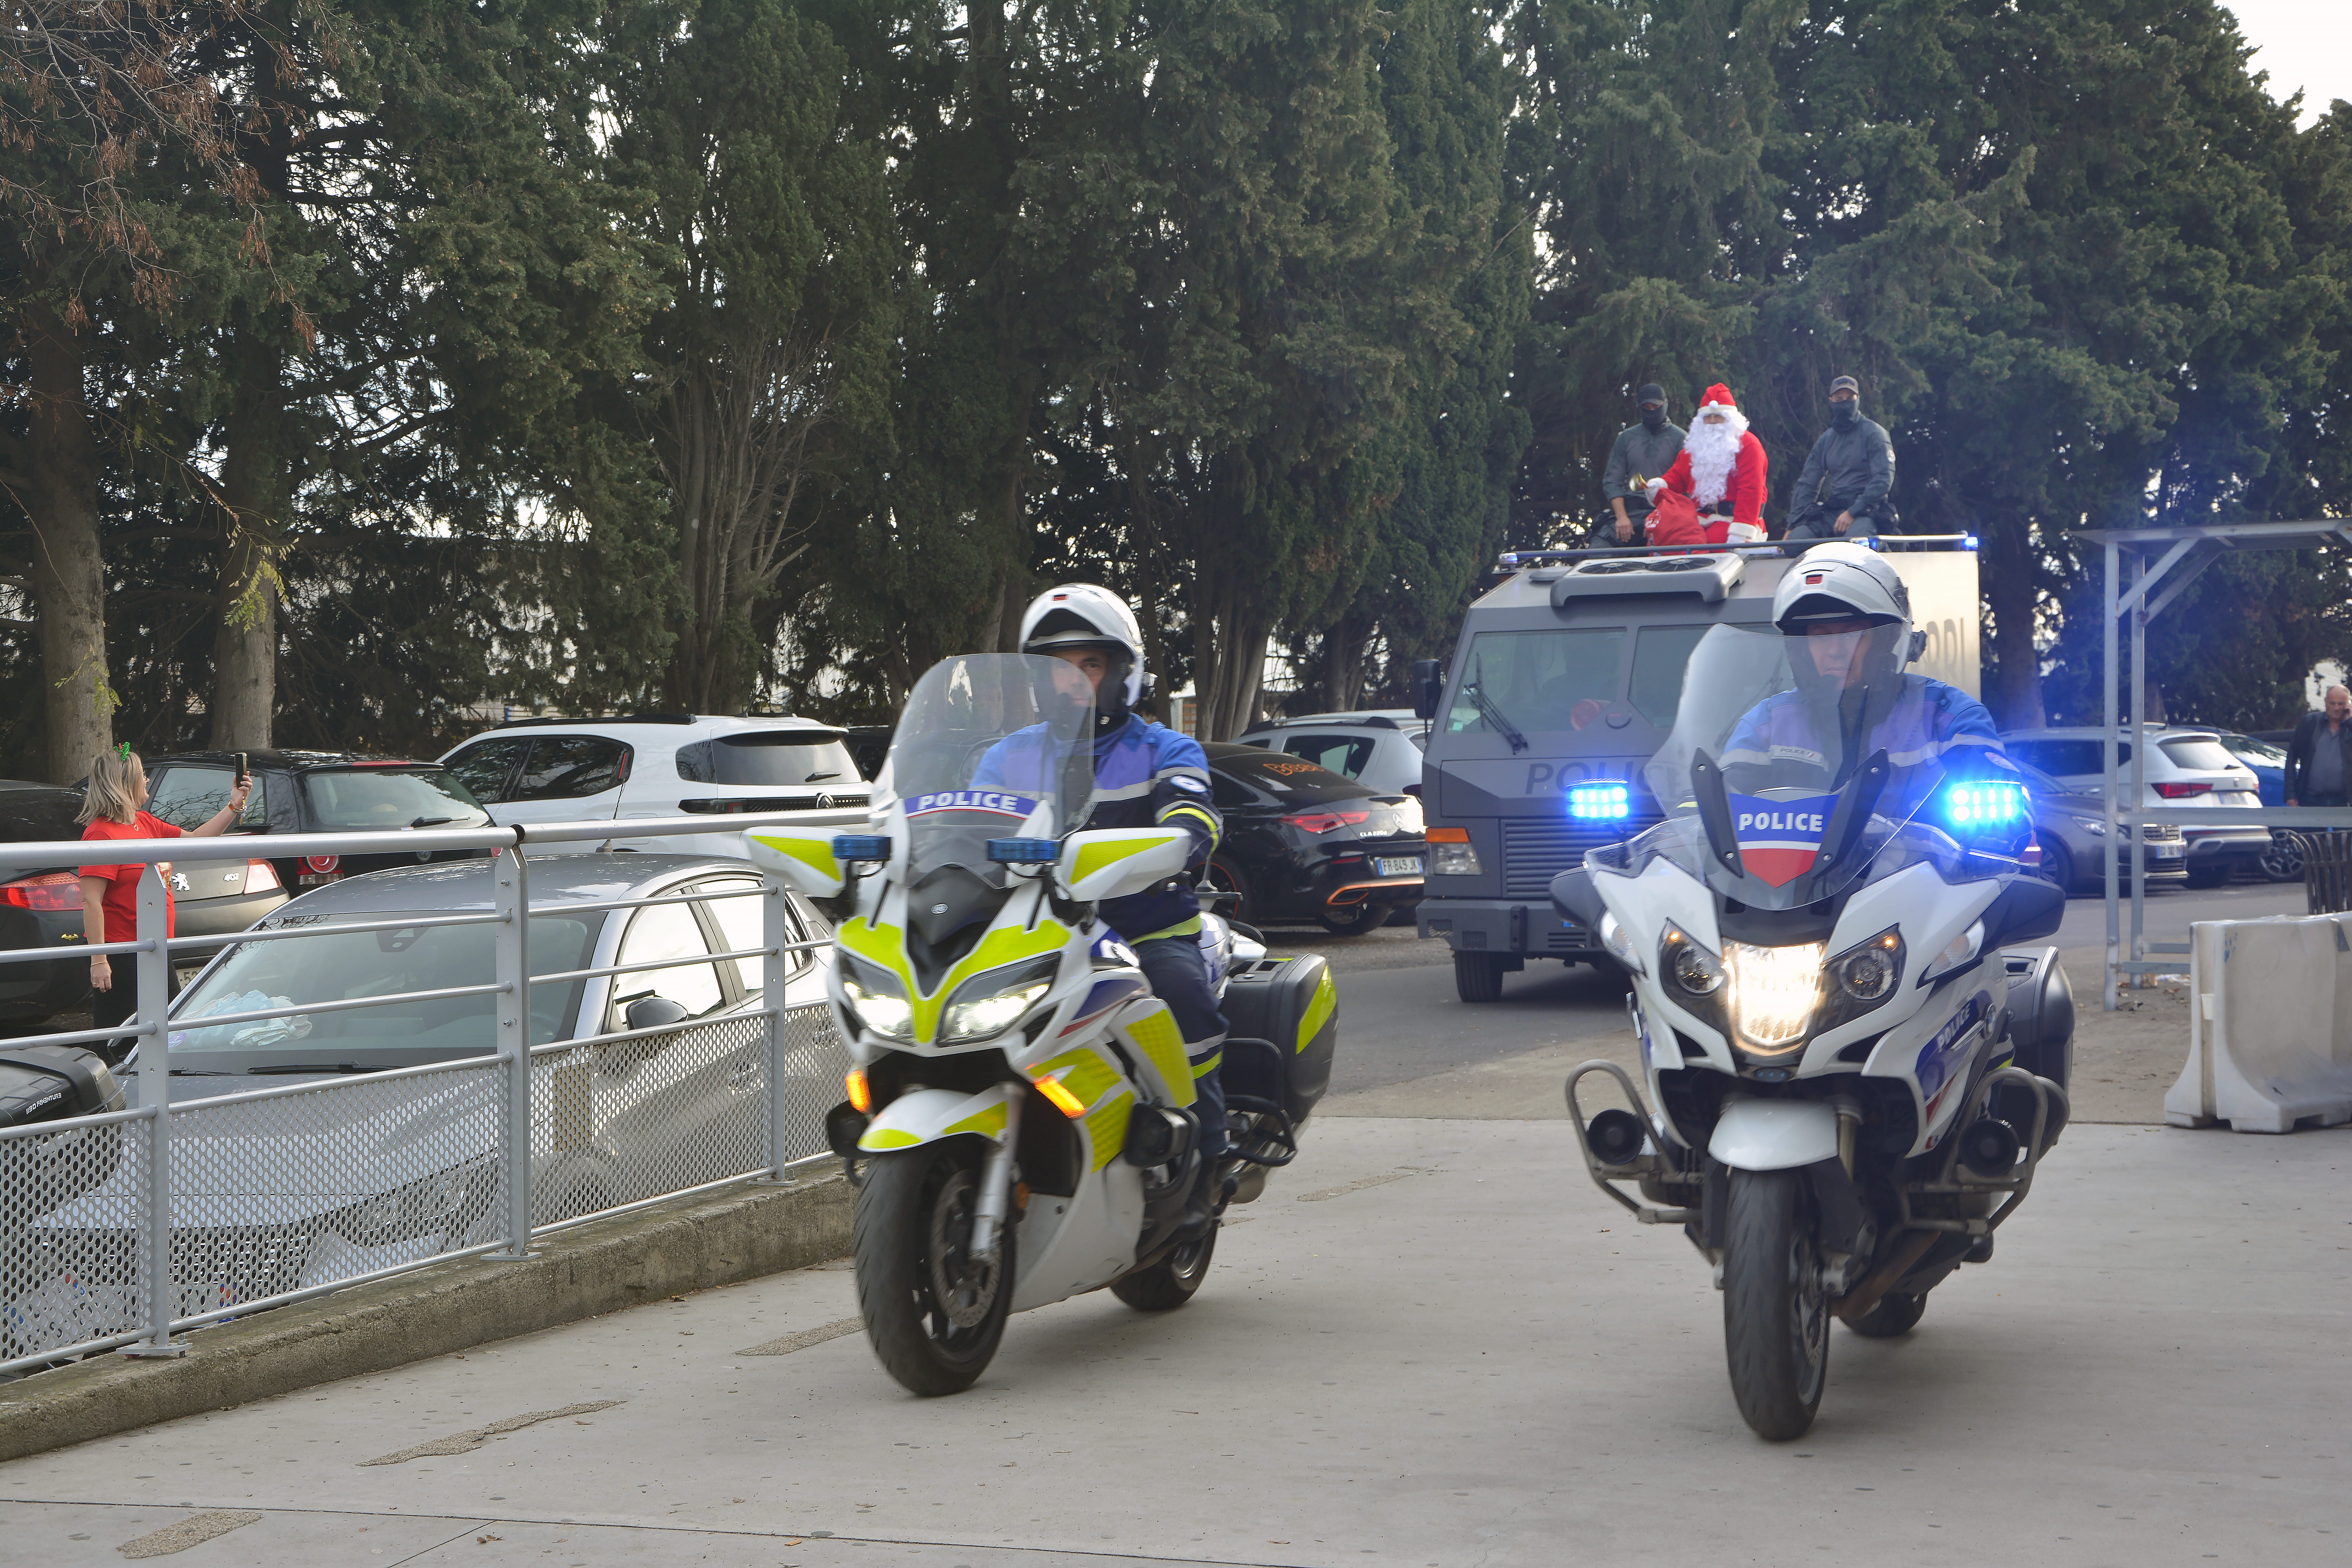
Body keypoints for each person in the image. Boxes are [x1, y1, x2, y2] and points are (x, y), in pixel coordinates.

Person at [975, 585, 1229, 1236]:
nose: (1073, 681)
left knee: (1181, 995)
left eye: (1089, 664)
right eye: (1059, 667)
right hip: (1037, 931)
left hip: (1146, 928)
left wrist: (1181, 838)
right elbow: (964, 829)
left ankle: (1209, 1155)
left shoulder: (1165, 749)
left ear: (1122, 671)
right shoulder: (1007, 757)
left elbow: (1194, 814)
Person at [1723, 543, 2014, 800]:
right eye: (1820, 635)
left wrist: (1994, 824)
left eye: (1852, 634)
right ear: (1799, 649)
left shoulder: (1947, 717)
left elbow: (2003, 811)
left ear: (1883, 643)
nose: (1835, 649)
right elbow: (1716, 814)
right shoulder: (1766, 727)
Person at [77, 745, 251, 1063]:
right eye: (142, 775)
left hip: (156, 947)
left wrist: (234, 805)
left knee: (166, 1029)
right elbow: (91, 900)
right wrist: (99, 960)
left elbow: (197, 841)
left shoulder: (145, 823)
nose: (147, 780)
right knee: (117, 1041)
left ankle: (156, 1088)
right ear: (125, 783)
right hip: (123, 953)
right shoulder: (100, 834)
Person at [1645, 383, 1768, 546]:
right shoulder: (1697, 445)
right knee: (1666, 538)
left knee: (1711, 545)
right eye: (1708, 417)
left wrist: (1740, 532)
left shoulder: (1749, 445)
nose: (1713, 422)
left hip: (1734, 520)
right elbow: (1678, 476)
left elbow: (1751, 490)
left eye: (1718, 416)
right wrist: (1660, 485)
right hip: (1699, 518)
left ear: (1730, 419)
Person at [1785, 375, 1897, 541]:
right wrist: (1793, 524)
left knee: (1854, 545)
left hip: (1867, 510)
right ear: (1831, 401)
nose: (1845, 403)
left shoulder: (1875, 434)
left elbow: (1883, 479)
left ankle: (1883, 549)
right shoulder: (1826, 440)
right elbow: (1808, 484)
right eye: (1839, 399)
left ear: (1858, 399)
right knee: (1795, 542)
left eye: (1850, 398)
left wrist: (1853, 512)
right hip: (1834, 511)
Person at [1600, 383, 1685, 544]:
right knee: (1599, 548)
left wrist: (1660, 518)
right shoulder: (1626, 438)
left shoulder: (1682, 439)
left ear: (1665, 404)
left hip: (1670, 511)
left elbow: (1688, 486)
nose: (1651, 411)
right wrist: (1622, 517)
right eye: (1646, 407)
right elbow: (1612, 481)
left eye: (1656, 406)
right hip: (1631, 511)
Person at [2285, 685, 2352, 808]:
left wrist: (2350, 721)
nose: (2337, 708)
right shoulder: (2310, 723)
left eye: (2341, 704)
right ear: (2326, 702)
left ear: (2349, 704)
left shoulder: (2350, 727)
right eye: (2332, 703)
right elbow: (2292, 758)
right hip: (2310, 798)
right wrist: (2290, 795)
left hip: (2344, 801)